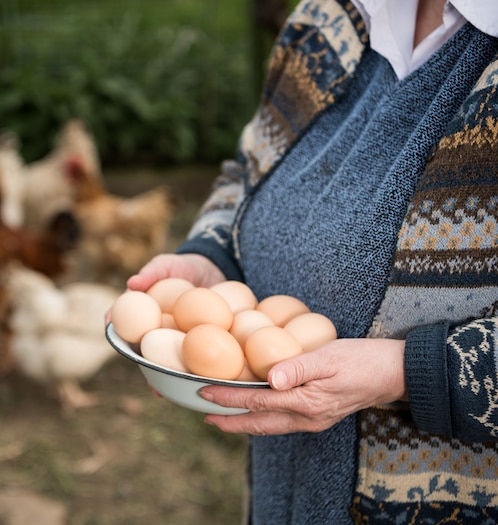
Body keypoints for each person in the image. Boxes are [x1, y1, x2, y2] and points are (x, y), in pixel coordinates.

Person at [125, 0, 498, 523]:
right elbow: (252, 167)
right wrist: (213, 253)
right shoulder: (328, 15)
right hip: (285, 481)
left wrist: (410, 373)